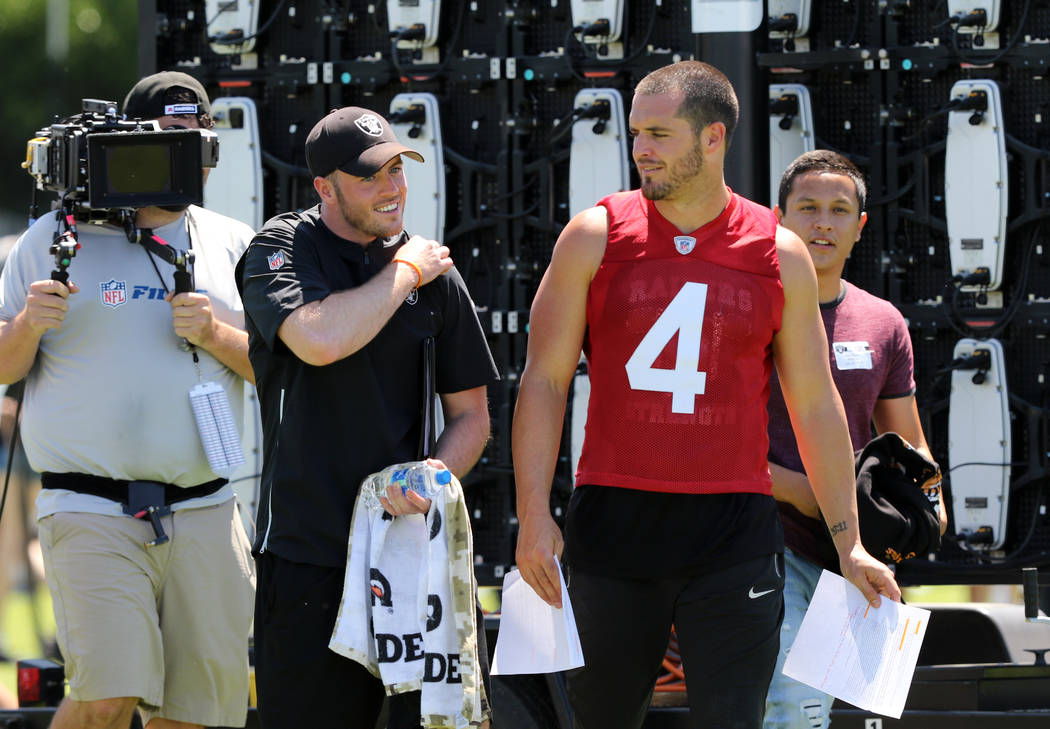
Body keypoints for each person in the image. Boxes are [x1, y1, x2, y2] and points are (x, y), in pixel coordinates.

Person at [511, 60, 901, 729]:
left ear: (712, 138)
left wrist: (849, 542)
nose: (641, 148)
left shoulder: (778, 252)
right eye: (636, 133)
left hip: (733, 533)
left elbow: (814, 403)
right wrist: (532, 514)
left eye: (659, 133)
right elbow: (544, 380)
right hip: (613, 523)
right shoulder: (593, 236)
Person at [0, 71, 257, 729]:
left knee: (197, 713)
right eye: (167, 138)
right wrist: (29, 324)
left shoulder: (234, 242)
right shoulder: (51, 239)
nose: (183, 154)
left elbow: (278, 369)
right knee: (108, 693)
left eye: (195, 139)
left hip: (206, 507)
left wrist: (215, 334)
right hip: (89, 506)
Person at [237, 106, 499, 729]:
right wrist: (405, 271)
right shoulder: (282, 246)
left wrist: (433, 474)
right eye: (370, 177)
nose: (392, 189)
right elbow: (320, 339)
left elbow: (473, 416)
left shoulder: (434, 273)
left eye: (398, 171)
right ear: (324, 187)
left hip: (410, 557)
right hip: (308, 556)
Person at [762, 150, 948, 729]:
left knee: (843, 715)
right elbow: (706, 436)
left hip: (854, 554)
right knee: (791, 706)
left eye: (839, 210)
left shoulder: (883, 321)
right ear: (778, 219)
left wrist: (923, 508)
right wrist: (797, 491)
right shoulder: (748, 310)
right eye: (808, 208)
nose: (823, 223)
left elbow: (907, 443)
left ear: (859, 227)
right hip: (765, 543)